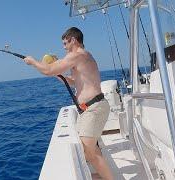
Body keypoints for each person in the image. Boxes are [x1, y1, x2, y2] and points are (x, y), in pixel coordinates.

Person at [23, 27, 113, 180]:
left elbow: (47, 70)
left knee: (88, 152)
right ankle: (102, 176)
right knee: (92, 150)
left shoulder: (77, 55)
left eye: (65, 43)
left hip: (94, 109)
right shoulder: (83, 56)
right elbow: (73, 82)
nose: (63, 47)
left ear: (73, 40)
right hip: (89, 109)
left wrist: (32, 61)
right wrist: (58, 73)